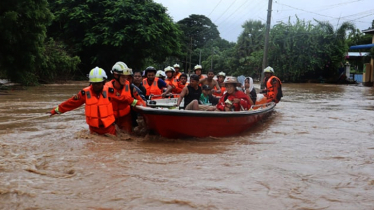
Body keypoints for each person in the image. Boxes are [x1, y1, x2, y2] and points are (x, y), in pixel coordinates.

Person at [48, 67, 139, 136]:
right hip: (94, 130)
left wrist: (136, 102)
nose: (96, 86)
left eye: (99, 84)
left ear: (103, 82)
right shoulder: (85, 93)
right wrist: (56, 110)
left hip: (109, 129)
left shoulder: (109, 91)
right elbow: (71, 103)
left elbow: (123, 98)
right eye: (94, 84)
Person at [105, 62, 145, 133]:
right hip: (111, 118)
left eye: (126, 77)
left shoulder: (131, 87)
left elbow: (141, 100)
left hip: (125, 118)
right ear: (116, 75)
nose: (125, 79)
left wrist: (141, 104)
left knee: (128, 136)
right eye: (123, 77)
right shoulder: (106, 88)